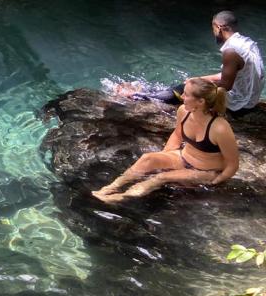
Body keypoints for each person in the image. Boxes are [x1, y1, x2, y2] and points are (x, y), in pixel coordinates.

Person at [92, 78, 239, 203]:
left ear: (200, 101)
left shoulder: (220, 128)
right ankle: (110, 188)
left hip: (205, 170)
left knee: (161, 177)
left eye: (186, 94)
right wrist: (165, 155)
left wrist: (215, 181)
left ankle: (120, 197)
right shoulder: (184, 111)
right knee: (148, 158)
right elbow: (177, 134)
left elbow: (233, 165)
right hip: (183, 157)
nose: (181, 96)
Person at [116, 11, 264, 117]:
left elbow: (226, 85)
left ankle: (136, 96)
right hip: (250, 101)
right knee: (190, 83)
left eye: (213, 28)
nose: (213, 32)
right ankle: (151, 91)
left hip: (238, 105)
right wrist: (200, 78)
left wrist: (194, 86)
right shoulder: (247, 43)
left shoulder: (231, 51)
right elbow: (231, 74)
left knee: (183, 89)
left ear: (219, 27)